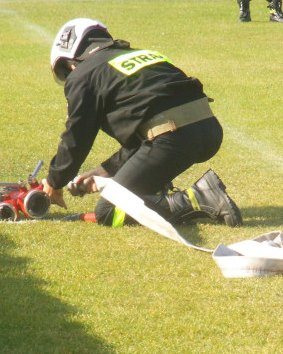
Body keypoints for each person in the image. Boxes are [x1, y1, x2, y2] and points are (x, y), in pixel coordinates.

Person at [41, 18, 242, 228]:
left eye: (66, 69)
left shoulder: (84, 73)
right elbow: (147, 131)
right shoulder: (138, 56)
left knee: (109, 211)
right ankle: (158, 187)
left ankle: (199, 198)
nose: (70, 74)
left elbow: (77, 136)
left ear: (74, 53)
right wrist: (104, 171)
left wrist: (55, 182)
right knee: (145, 167)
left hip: (174, 137)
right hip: (207, 129)